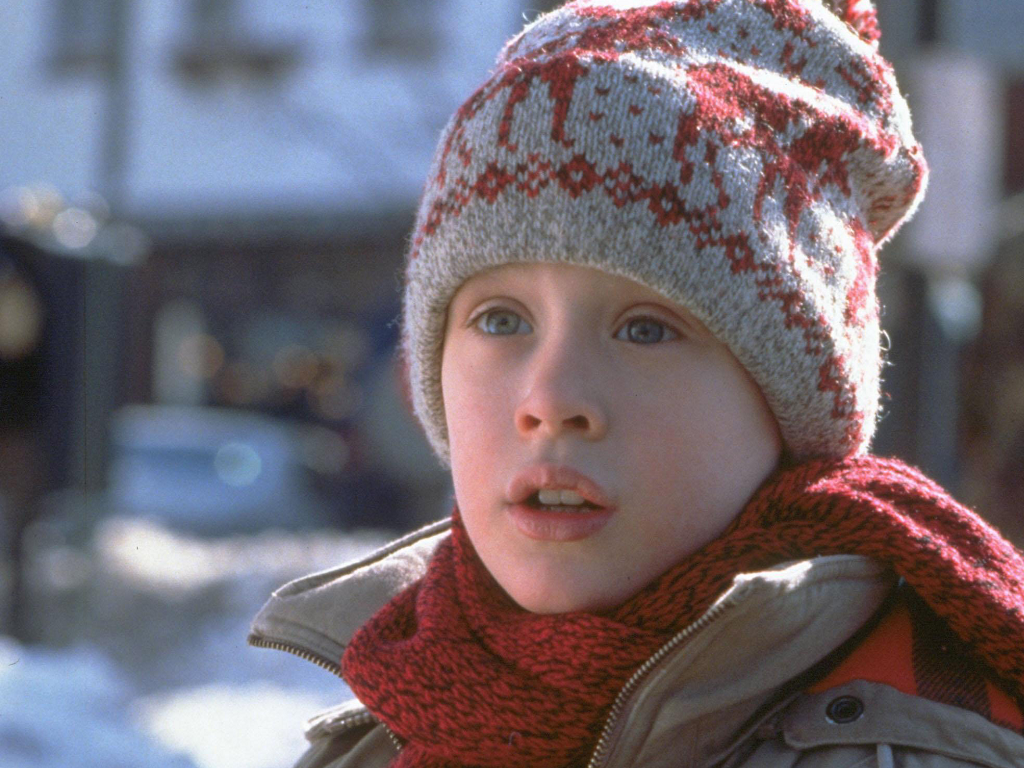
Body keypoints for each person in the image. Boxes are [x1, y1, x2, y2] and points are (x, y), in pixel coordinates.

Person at [249, 1, 1024, 766]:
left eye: (646, 329)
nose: (551, 400)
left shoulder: (924, 743)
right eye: (499, 320)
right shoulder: (370, 742)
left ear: (792, 405)